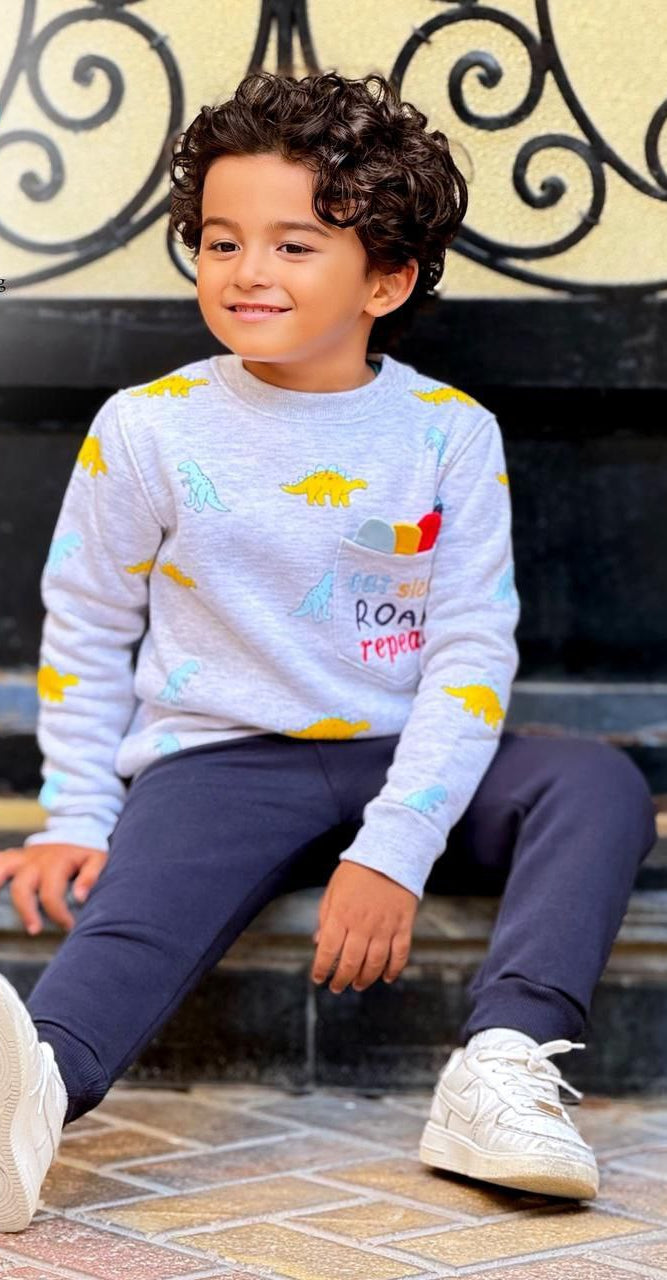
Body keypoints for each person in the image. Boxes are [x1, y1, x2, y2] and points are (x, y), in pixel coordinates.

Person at [0, 69, 656, 1232]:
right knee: (135, 914)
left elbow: (468, 651)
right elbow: (88, 624)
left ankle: (501, 1064)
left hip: (411, 752)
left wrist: (394, 848)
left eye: (294, 245)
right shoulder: (146, 427)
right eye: (221, 240)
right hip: (218, 763)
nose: (246, 270)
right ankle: (31, 1093)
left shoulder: (448, 433)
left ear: (385, 279)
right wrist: (77, 813)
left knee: (595, 782)